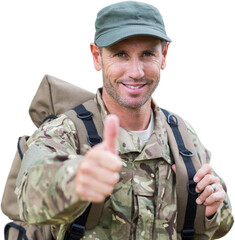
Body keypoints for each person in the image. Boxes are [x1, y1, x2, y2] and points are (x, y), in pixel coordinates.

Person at [15, 1, 233, 239]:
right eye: (120, 54)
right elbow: (29, 196)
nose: (136, 71)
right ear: (97, 56)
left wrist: (214, 210)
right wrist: (77, 178)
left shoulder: (182, 136)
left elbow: (219, 223)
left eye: (147, 54)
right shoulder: (64, 131)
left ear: (164, 55)